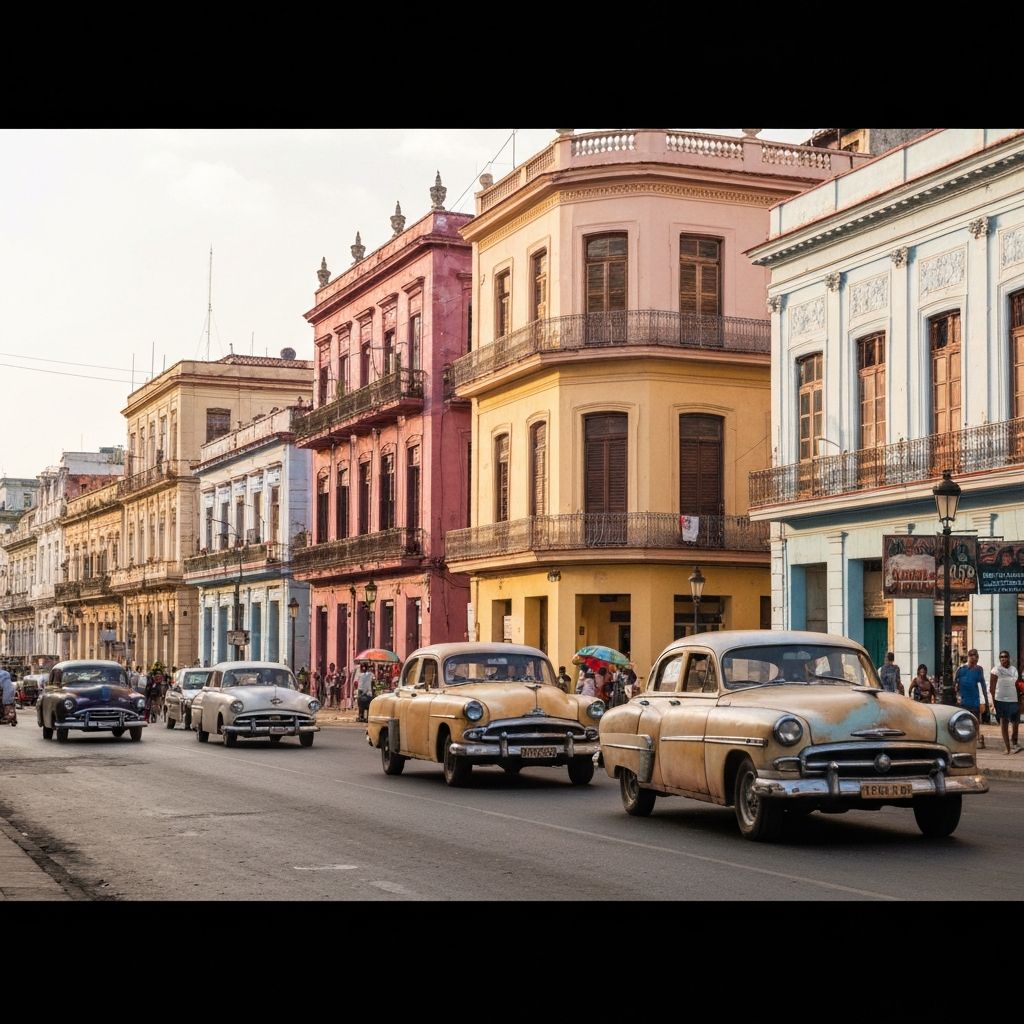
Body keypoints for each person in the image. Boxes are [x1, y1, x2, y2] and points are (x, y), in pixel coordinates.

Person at [989, 649, 1021, 755]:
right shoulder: (996, 670)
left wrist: (1019, 700)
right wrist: (993, 702)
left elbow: (1017, 685)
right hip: (1000, 700)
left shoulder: (1013, 670)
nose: (1003, 659)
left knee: (1015, 723)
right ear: (999, 659)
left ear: (1009, 658)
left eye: (1005, 656)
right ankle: (1007, 747)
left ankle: (1014, 743)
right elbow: (992, 687)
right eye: (1001, 657)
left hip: (1013, 700)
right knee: (1004, 723)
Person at [954, 649, 988, 748]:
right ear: (968, 657)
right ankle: (965, 739)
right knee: (964, 721)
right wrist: (957, 695)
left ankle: (978, 739)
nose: (975, 659)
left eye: (976, 657)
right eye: (973, 657)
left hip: (975, 700)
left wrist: (985, 700)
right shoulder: (961, 669)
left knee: (976, 720)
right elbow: (955, 683)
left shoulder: (979, 669)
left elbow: (983, 685)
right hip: (964, 700)